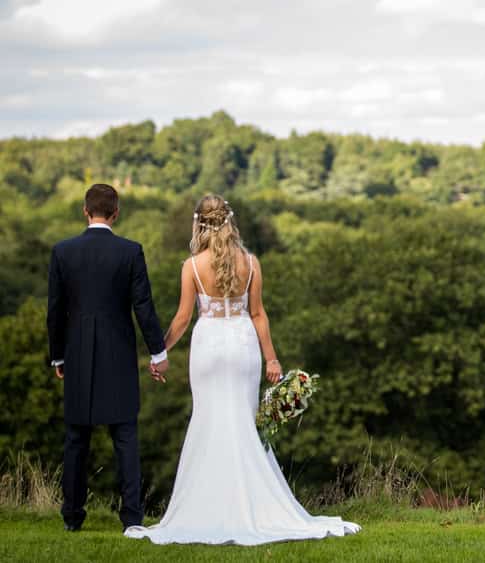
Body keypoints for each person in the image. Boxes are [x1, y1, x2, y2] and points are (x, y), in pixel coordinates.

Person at [124, 194, 361, 545]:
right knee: (243, 423)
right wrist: (273, 359)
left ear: (199, 224)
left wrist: (159, 353)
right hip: (243, 346)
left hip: (208, 349)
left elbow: (182, 319)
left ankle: (208, 507)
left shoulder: (191, 267)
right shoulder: (250, 262)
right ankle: (252, 504)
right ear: (230, 221)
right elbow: (258, 314)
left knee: (207, 420)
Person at [48, 183, 169, 532]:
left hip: (77, 355)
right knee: (126, 438)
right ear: (116, 213)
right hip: (119, 355)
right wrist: (158, 352)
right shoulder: (130, 252)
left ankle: (72, 517)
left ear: (86, 211)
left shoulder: (62, 251)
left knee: (76, 440)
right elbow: (143, 308)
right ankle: (132, 518)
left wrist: (58, 358)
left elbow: (54, 312)